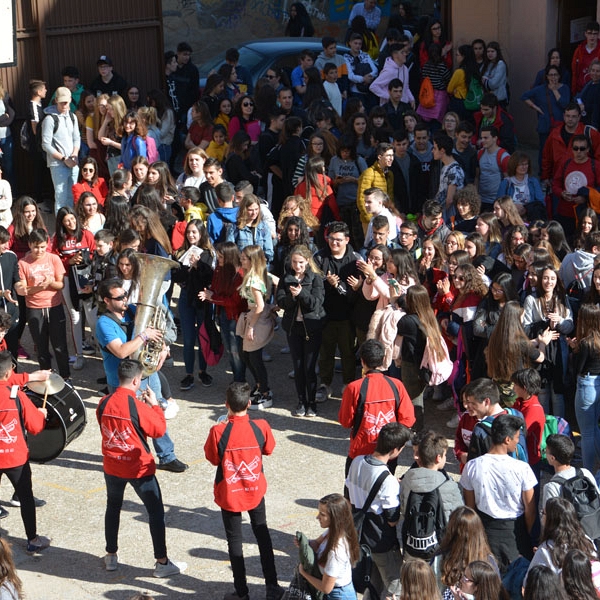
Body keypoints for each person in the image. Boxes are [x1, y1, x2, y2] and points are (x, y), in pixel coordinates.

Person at [97, 359, 187, 577]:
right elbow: (158, 429)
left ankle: (111, 555)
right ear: (137, 380)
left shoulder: (103, 402)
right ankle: (162, 562)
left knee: (113, 507)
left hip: (112, 465)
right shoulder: (136, 406)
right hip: (138, 468)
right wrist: (154, 405)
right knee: (155, 512)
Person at [95, 278, 188, 473]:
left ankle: (167, 456)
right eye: (119, 297)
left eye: (125, 295)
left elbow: (153, 336)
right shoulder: (103, 323)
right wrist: (143, 335)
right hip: (124, 381)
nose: (125, 300)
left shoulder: (130, 312)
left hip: (145, 373)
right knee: (132, 423)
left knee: (156, 413)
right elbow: (121, 352)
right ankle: (134, 457)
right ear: (106, 300)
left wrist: (162, 347)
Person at [204, 382, 284, 600]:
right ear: (249, 404)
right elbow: (269, 449)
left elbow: (212, 458)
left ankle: (242, 592)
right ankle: (272, 586)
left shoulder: (218, 431)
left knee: (235, 542)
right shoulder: (261, 426)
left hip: (230, 493)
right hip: (255, 490)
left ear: (226, 404)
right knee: (263, 535)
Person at [460, 413, 537, 572]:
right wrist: (529, 534)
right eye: (517, 437)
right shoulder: (522, 469)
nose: (518, 442)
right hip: (516, 533)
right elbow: (530, 509)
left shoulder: (472, 466)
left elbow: (470, 507)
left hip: (485, 532)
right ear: (507, 440)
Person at [346, 422, 411, 600]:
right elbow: (392, 519)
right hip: (381, 539)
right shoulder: (387, 479)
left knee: (372, 583)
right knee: (395, 584)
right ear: (396, 449)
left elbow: (348, 495)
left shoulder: (357, 461)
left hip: (360, 534)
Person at [338, 339, 415, 475]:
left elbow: (346, 421)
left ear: (362, 361)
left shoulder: (354, 388)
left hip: (360, 452)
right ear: (384, 359)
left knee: (354, 493)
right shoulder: (396, 385)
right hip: (388, 453)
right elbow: (408, 419)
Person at [0, 350, 49, 555]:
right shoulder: (16, 396)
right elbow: (36, 427)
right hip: (14, 457)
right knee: (25, 497)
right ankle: (33, 540)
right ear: (9, 372)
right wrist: (42, 414)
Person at [314, 222, 362, 401]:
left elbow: (354, 293)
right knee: (325, 352)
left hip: (348, 316)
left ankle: (348, 384)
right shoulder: (319, 257)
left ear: (347, 240)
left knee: (348, 352)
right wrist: (327, 283)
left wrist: (338, 286)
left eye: (339, 240)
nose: (334, 243)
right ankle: (325, 384)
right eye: (331, 239)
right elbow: (314, 285)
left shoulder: (356, 259)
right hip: (325, 315)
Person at [276, 245, 325, 417]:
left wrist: (301, 293)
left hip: (311, 328)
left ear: (307, 261)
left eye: (301, 262)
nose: (297, 266)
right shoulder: (286, 278)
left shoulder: (316, 278)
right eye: (295, 262)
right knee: (298, 367)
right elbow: (281, 302)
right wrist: (292, 297)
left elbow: (315, 304)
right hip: (293, 327)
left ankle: (312, 402)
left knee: (309, 367)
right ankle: (301, 401)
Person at [15, 229, 70, 380]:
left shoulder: (54, 259)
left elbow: (61, 284)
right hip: (34, 308)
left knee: (59, 345)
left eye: (42, 247)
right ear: (29, 245)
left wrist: (51, 282)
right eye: (35, 247)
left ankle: (66, 377)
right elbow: (24, 289)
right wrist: (41, 287)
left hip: (54, 306)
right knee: (41, 347)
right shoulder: (23, 263)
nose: (39, 251)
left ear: (47, 244)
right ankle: (45, 377)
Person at [400, 431, 463, 558]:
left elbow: (403, 509)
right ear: (438, 458)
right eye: (445, 455)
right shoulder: (448, 484)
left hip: (413, 543)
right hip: (440, 547)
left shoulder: (407, 480)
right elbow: (457, 515)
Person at [297, 493, 360, 599]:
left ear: (335, 517)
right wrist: (304, 543)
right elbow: (316, 543)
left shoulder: (335, 551)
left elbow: (326, 588)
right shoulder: (333, 532)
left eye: (322, 514)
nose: (317, 517)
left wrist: (303, 573)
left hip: (337, 595)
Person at [524, 497, 598, 588]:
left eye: (543, 513)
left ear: (551, 520)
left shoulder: (546, 549)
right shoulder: (587, 541)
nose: (541, 517)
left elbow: (528, 582)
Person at [521, 65, 571, 172]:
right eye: (551, 75)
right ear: (547, 76)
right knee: (544, 151)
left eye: (556, 75)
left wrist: (555, 91)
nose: (553, 77)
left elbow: (565, 104)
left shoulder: (565, 88)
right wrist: (535, 107)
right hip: (545, 124)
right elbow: (524, 96)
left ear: (559, 76)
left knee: (559, 151)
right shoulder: (540, 89)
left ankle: (557, 173)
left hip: (560, 125)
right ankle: (543, 174)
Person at [41, 86, 80, 214]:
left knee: (73, 195)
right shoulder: (50, 119)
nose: (64, 104)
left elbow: (76, 138)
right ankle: (60, 227)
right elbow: (46, 144)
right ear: (56, 100)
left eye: (66, 101)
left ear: (70, 100)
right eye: (61, 101)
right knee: (61, 197)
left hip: (73, 161)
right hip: (58, 164)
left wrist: (74, 154)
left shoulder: (72, 117)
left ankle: (73, 224)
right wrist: (64, 158)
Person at [572, 21, 600, 94]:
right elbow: (575, 72)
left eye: (595, 33)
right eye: (590, 33)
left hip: (597, 91)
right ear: (585, 34)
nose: (592, 36)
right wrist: (573, 91)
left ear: (598, 35)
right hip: (581, 90)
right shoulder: (579, 50)